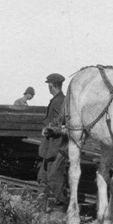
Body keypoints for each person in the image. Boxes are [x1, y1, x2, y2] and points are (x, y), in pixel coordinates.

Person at [38, 73, 68, 209]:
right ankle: (40, 207)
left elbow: (63, 125)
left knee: (54, 178)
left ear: (51, 85)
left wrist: (48, 130)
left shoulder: (59, 101)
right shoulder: (58, 99)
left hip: (56, 147)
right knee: (43, 177)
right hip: (49, 147)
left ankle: (60, 207)